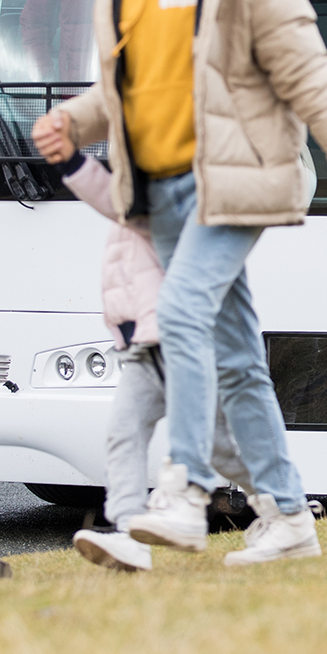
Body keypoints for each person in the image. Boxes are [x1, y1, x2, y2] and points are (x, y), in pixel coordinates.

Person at [31, 0, 327, 566]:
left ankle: (185, 492)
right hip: (156, 189)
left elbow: (306, 64)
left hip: (234, 179)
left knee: (185, 310)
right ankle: (289, 516)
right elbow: (129, 89)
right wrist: (76, 120)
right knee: (238, 360)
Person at [58, 154, 255, 573]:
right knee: (124, 430)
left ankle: (282, 503)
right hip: (143, 343)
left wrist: (73, 162)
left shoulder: (165, 193)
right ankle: (129, 534)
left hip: (175, 339)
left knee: (220, 448)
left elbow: (115, 201)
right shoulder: (141, 188)